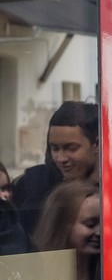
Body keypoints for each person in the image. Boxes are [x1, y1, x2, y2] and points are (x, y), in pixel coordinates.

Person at [15, 101, 99, 235]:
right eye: (54, 148)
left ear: (97, 144)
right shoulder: (35, 188)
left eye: (71, 148)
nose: (60, 158)